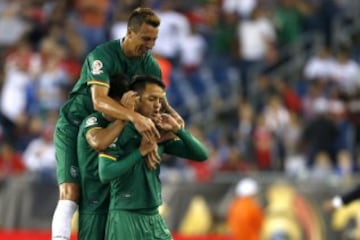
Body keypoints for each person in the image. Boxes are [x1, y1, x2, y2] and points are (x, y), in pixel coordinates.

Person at [51, 7, 183, 240]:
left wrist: (175, 117)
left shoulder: (150, 65)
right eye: (145, 38)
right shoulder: (102, 56)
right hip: (75, 125)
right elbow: (99, 101)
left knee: (105, 197)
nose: (150, 45)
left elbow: (160, 102)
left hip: (110, 128)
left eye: (154, 39)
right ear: (129, 32)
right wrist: (135, 117)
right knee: (72, 191)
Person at [98, 75, 208, 239]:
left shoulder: (158, 134)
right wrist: (140, 152)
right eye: (152, 99)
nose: (158, 105)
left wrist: (178, 130)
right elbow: (105, 173)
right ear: (136, 100)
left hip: (153, 216)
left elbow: (201, 155)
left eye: (160, 100)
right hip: (125, 215)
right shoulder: (117, 131)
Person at [77, 74, 135, 240]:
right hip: (94, 201)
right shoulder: (94, 120)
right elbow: (98, 142)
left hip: (118, 201)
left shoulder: (128, 124)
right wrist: (125, 117)